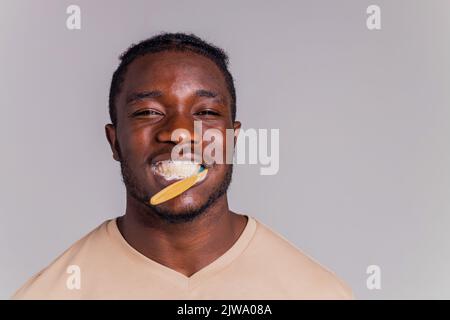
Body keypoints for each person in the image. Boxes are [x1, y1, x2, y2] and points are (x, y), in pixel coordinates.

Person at [13, 33, 353, 299]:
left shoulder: (316, 293)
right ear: (115, 142)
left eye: (205, 113)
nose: (179, 132)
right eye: (148, 112)